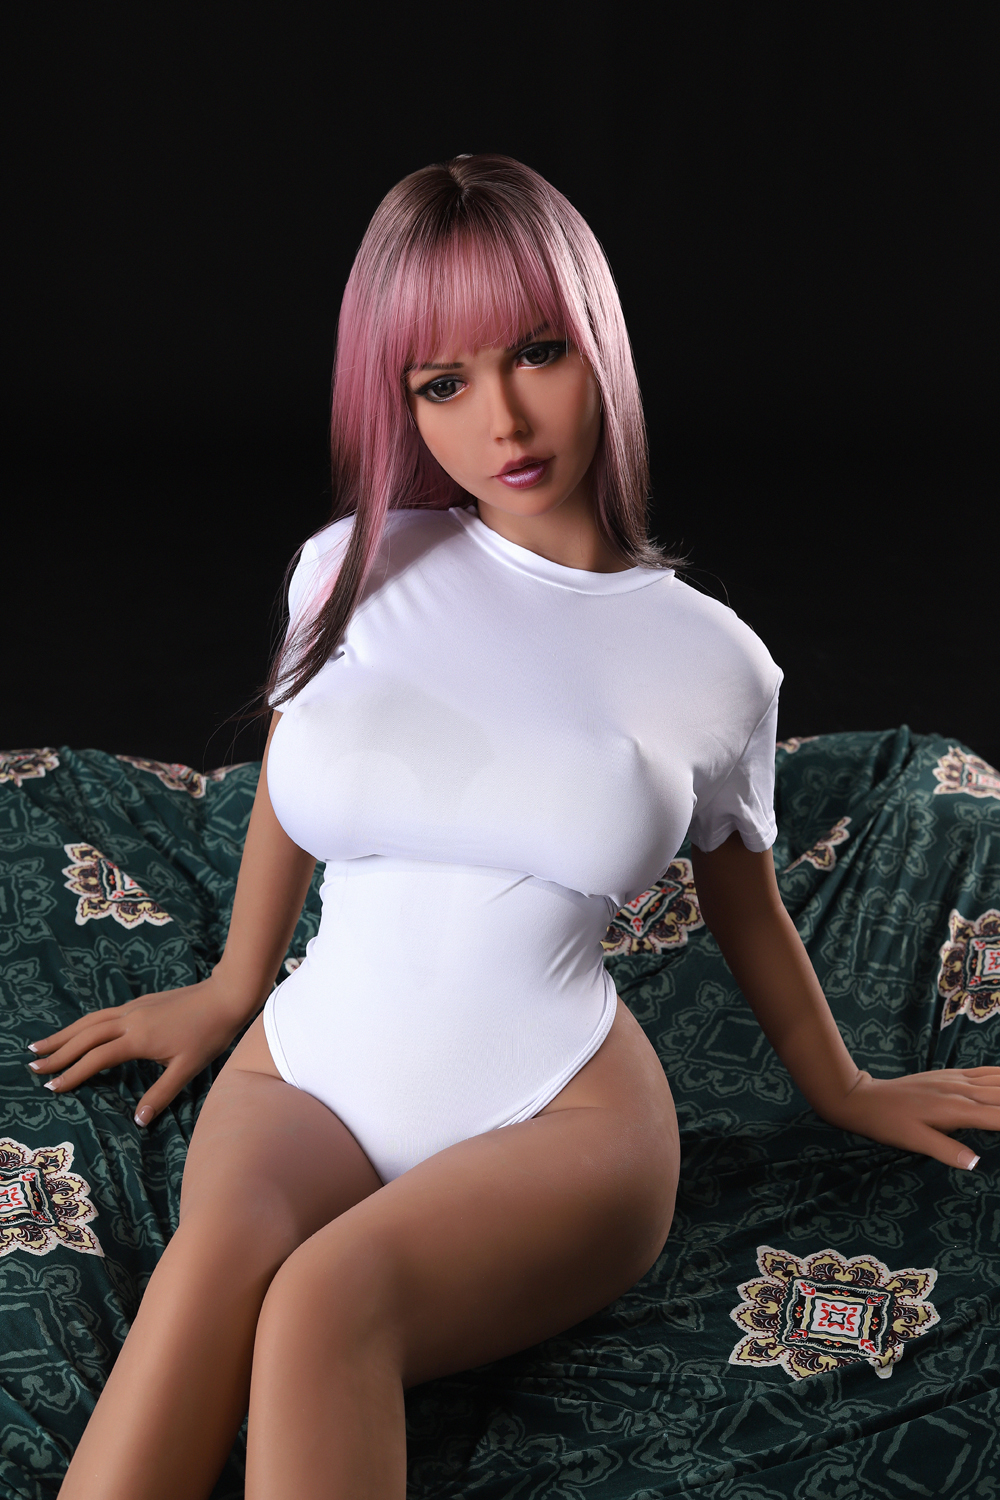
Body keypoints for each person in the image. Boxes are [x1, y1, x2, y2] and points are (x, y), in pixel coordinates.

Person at [34, 155, 998, 1500]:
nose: (503, 419)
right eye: (443, 382)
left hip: (563, 1115)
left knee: (324, 1304)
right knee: (208, 1277)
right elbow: (294, 781)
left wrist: (842, 1088)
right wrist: (234, 984)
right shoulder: (349, 570)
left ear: (600, 348)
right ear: (399, 401)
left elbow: (748, 902)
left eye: (539, 352)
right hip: (304, 1070)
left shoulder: (712, 660)